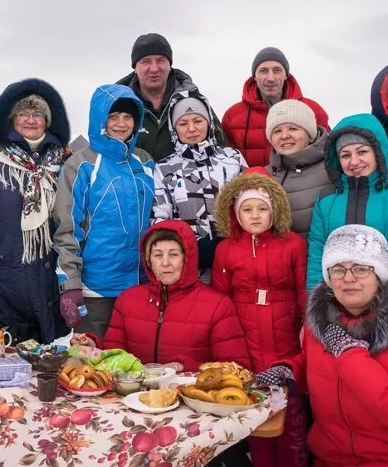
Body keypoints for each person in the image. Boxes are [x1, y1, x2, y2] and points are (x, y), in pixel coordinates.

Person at [258, 225, 388, 466]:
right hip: (333, 458)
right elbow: (316, 366)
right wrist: (289, 371)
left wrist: (349, 354)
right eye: (337, 269)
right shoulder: (320, 328)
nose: (348, 278)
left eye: (361, 269)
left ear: (380, 275)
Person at [0, 78, 71, 344]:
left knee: (42, 364)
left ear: (48, 120)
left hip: (45, 280)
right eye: (23, 114)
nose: (30, 120)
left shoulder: (62, 159)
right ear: (10, 119)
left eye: (37, 114)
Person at [211, 167, 308, 467]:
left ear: (274, 210)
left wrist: (306, 325)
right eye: (247, 209)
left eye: (262, 208)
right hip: (245, 345)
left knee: (290, 420)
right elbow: (221, 301)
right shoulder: (226, 250)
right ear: (235, 214)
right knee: (256, 420)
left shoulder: (293, 244)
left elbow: (304, 289)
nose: (255, 215)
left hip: (285, 343)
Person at [307, 113, 388, 315]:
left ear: (377, 152)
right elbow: (317, 256)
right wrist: (319, 305)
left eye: (362, 152)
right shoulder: (326, 200)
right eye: (346, 155)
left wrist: (383, 285)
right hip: (341, 303)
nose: (354, 161)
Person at [54, 84, 155, 339]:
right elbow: (67, 229)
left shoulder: (145, 162)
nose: (121, 123)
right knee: (93, 365)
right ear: (100, 119)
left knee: (135, 363)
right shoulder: (82, 164)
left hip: (140, 285)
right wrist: (69, 285)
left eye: (127, 117)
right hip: (96, 289)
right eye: (113, 117)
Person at [102, 220, 250, 371]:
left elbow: (236, 369)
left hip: (190, 392)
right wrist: (92, 346)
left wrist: (187, 367)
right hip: (134, 393)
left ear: (187, 258)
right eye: (157, 255)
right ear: (148, 260)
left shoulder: (218, 305)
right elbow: (110, 357)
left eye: (173, 254)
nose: (165, 263)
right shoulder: (127, 300)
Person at [152, 90, 246, 280]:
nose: (192, 129)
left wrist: (232, 242)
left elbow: (249, 203)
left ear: (209, 122)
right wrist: (193, 246)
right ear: (174, 128)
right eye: (183, 123)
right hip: (188, 267)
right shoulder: (164, 168)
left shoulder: (232, 158)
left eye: (198, 121)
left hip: (235, 261)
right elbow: (159, 219)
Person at [116, 32, 227, 161]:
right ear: (135, 67)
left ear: (169, 65)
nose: (154, 69)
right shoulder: (118, 104)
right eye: (146, 61)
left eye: (160, 61)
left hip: (187, 180)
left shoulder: (194, 101)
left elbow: (221, 150)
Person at [222, 46, 329, 168]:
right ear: (255, 76)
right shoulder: (233, 116)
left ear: (286, 75)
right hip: (253, 185)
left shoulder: (313, 110)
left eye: (277, 70)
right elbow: (225, 161)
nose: (271, 78)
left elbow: (327, 152)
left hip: (305, 185)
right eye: (263, 71)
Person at [264, 99, 332, 235]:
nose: (284, 136)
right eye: (277, 131)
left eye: (293, 128)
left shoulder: (332, 169)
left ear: (310, 135)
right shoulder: (264, 175)